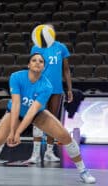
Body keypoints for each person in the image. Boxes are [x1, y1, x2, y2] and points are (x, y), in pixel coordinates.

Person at [0, 53, 96, 184]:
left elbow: (32, 111)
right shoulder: (16, 77)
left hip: (37, 114)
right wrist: (13, 131)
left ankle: (83, 171)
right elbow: (16, 105)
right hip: (16, 113)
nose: (37, 62)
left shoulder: (47, 86)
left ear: (43, 67)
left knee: (65, 137)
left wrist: (18, 133)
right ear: (29, 64)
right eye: (34, 60)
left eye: (41, 61)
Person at [27, 24, 73, 163]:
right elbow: (32, 69)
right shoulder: (36, 47)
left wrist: (69, 88)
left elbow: (66, 69)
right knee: (37, 118)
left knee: (52, 120)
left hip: (56, 89)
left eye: (51, 30)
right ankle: (35, 154)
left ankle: (49, 152)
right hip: (40, 88)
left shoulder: (61, 47)